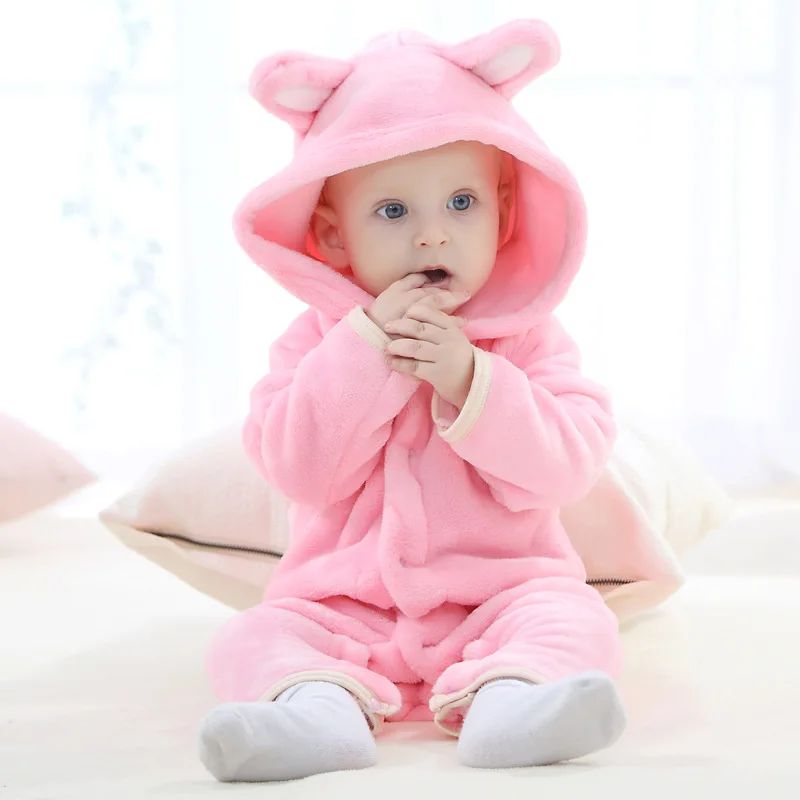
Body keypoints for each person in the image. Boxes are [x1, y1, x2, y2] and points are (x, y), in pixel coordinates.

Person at [199, 19, 630, 782]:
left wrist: (472, 381)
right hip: (341, 607)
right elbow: (298, 469)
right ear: (335, 237)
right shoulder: (316, 342)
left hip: (501, 598)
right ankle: (318, 716)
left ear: (503, 213)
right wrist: (365, 351)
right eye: (394, 212)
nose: (433, 236)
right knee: (252, 636)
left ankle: (510, 705)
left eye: (462, 203)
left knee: (575, 617)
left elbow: (567, 466)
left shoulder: (527, 338)